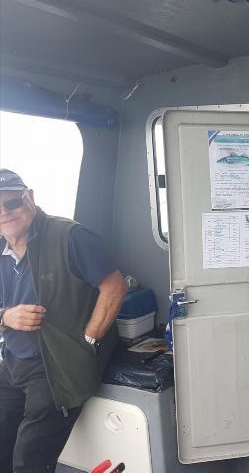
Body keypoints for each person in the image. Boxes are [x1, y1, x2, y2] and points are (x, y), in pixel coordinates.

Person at [0, 169, 127, 473]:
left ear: (29, 197)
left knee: (27, 461)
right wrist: (6, 316)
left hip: (58, 366)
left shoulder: (70, 236)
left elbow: (115, 287)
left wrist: (88, 341)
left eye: (13, 202)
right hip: (15, 362)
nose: (5, 212)